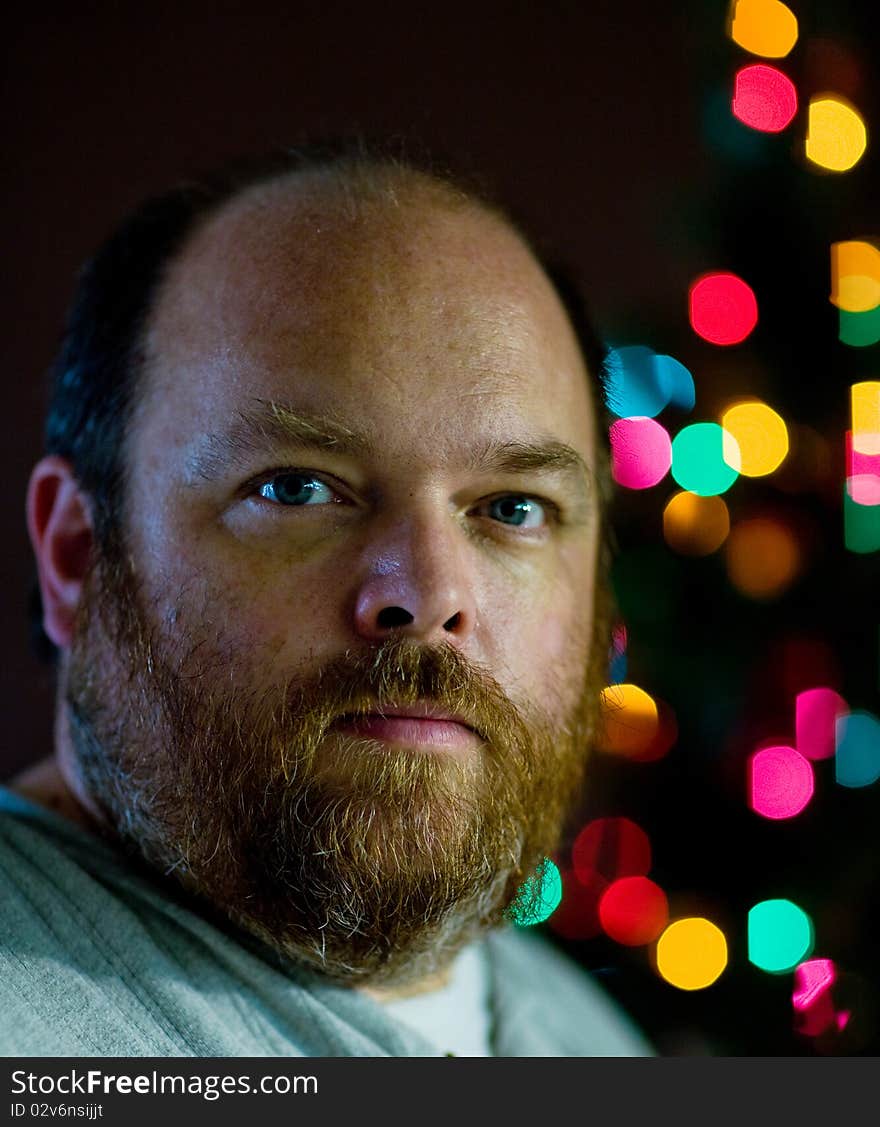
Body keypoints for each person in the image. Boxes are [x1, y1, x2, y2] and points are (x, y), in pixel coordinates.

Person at [1, 139, 654, 1057]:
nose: (430, 596)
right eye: (298, 488)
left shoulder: (594, 1041)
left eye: (513, 508)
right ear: (77, 551)